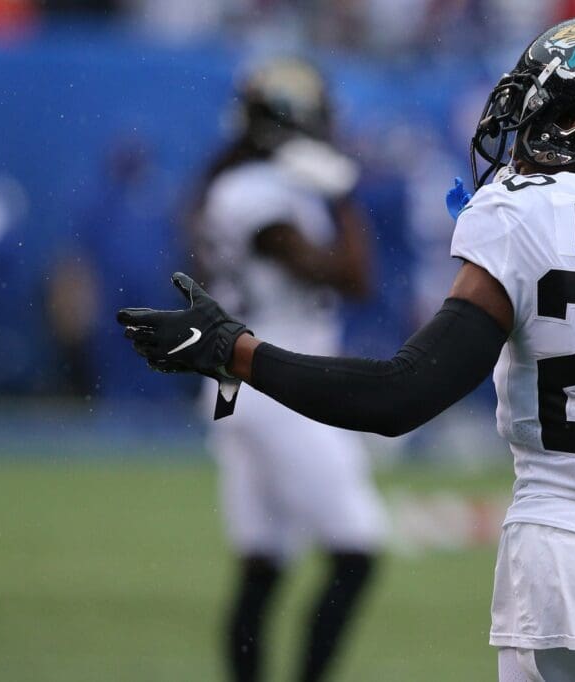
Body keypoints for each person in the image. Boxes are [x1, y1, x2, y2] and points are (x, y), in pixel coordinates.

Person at [119, 17, 575, 681]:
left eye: (552, 111)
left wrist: (235, 350)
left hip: (552, 567)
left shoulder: (526, 216)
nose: (532, 131)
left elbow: (397, 397)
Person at [186, 58, 387, 682]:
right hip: (279, 382)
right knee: (357, 548)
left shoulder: (236, 185)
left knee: (263, 563)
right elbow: (347, 277)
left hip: (246, 383)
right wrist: (345, 197)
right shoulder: (256, 193)